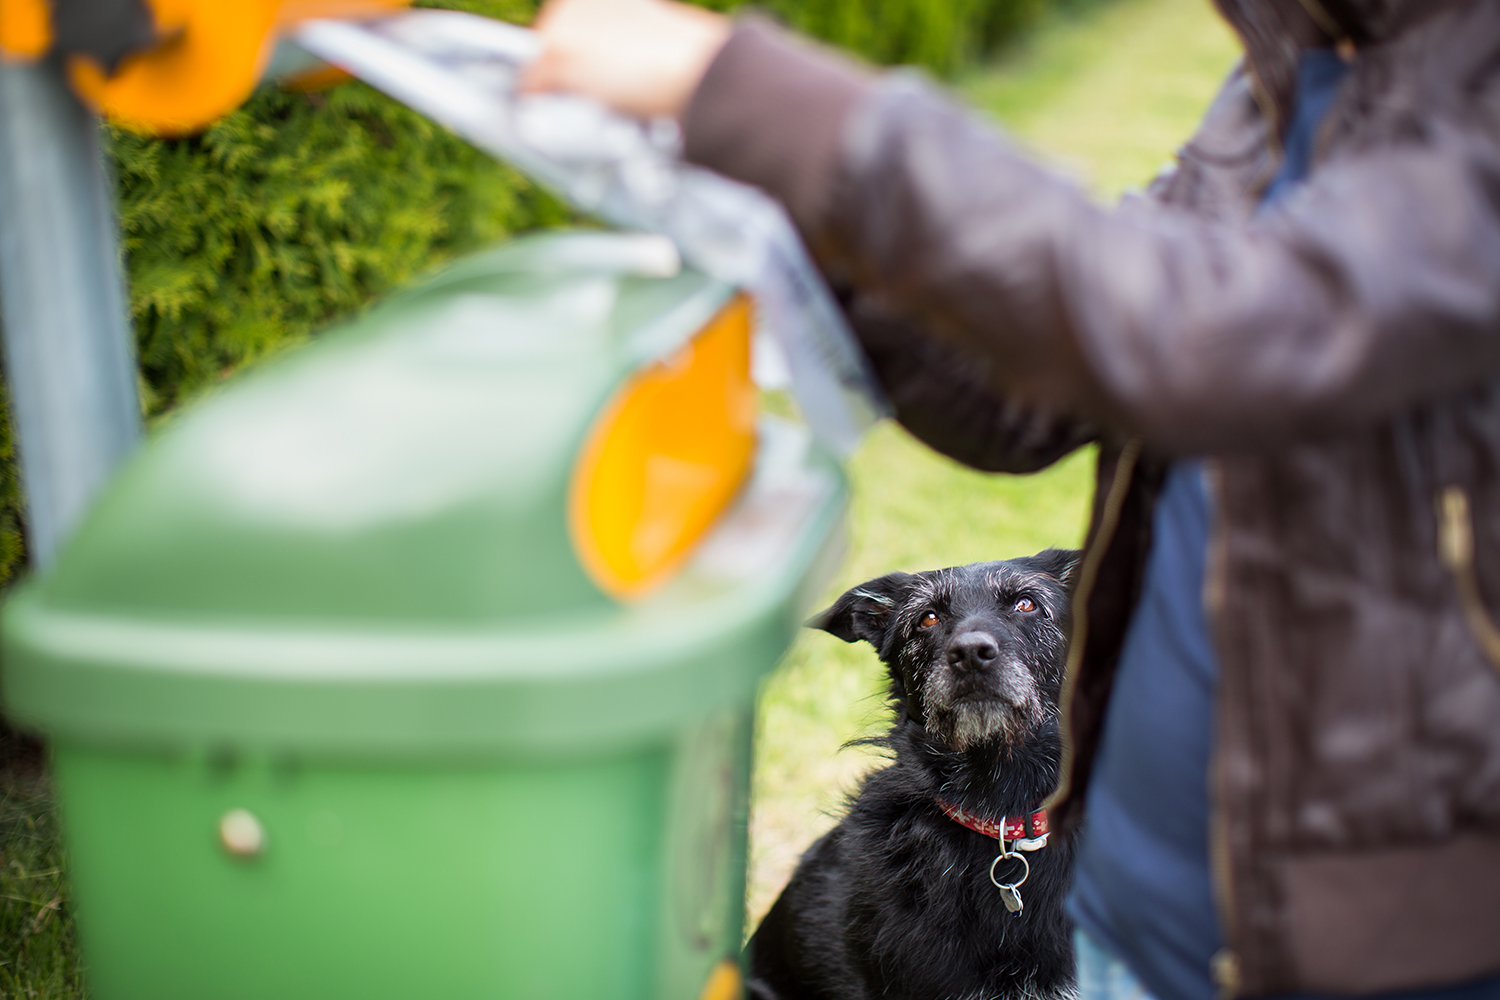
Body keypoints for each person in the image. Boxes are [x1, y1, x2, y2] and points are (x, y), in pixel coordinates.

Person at [524, 2, 1500, 999]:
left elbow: (1220, 335)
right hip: (1136, 888)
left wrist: (761, 97)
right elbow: (1027, 396)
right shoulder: (1278, 81)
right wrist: (813, 243)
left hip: (1382, 938)